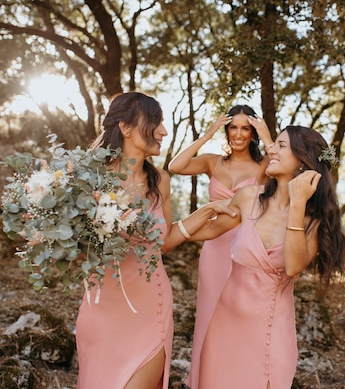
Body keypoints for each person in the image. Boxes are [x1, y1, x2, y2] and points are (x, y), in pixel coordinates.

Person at [166, 125, 345, 389]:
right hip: (222, 328)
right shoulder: (249, 197)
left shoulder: (314, 221)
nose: (271, 149)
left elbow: (294, 265)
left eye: (281, 145)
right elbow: (208, 229)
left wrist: (297, 205)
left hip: (268, 337)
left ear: (302, 161)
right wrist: (167, 232)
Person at [75, 92, 234, 389]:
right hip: (102, 309)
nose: (163, 131)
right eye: (155, 122)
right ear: (125, 127)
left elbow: (165, 240)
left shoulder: (159, 180)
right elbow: (74, 249)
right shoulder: (89, 177)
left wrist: (208, 211)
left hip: (151, 307)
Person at [168, 105, 273, 389]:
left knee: (240, 314)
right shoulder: (212, 162)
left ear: (252, 133)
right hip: (214, 249)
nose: (238, 134)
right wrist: (206, 135)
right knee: (209, 314)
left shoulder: (263, 167)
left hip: (247, 249)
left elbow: (286, 168)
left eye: (245, 128)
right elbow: (175, 166)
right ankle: (204, 381)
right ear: (227, 131)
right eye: (233, 127)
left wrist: (268, 136)